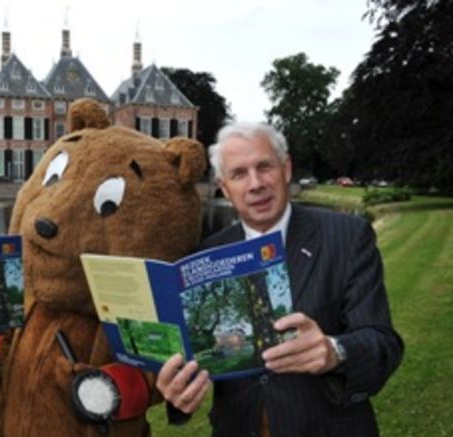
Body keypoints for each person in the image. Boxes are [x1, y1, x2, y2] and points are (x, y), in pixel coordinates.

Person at [156, 122, 404, 436]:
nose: (255, 184)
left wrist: (334, 351)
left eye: (264, 167)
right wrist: (179, 393)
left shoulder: (348, 236)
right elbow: (201, 353)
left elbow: (383, 343)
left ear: (286, 169)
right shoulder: (204, 255)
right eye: (239, 174)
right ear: (224, 187)